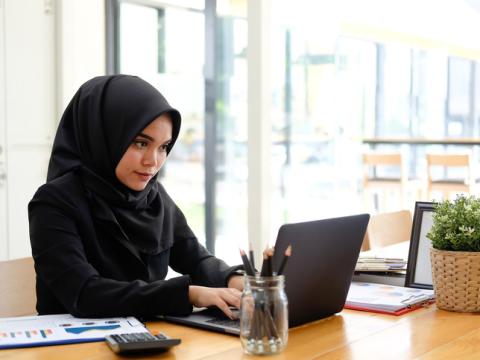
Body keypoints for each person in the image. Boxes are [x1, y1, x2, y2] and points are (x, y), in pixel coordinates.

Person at [28, 75, 244, 319]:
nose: (153, 162)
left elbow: (195, 258)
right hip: (71, 348)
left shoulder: (153, 196)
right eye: (141, 143)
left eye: (163, 147)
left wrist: (236, 281)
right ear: (104, 136)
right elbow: (85, 294)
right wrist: (188, 294)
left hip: (145, 340)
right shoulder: (53, 203)